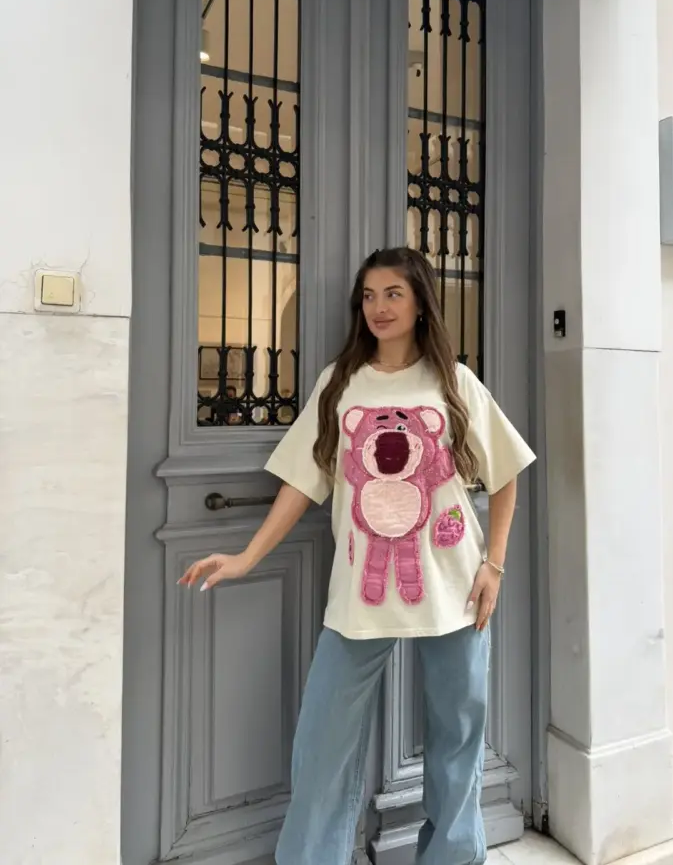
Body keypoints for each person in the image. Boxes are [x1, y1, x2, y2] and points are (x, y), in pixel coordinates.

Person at [179, 247, 536, 865]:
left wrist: (494, 565)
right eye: (369, 296)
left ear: (420, 302)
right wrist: (246, 556)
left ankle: (451, 857)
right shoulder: (340, 384)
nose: (379, 307)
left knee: (457, 739)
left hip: (453, 585)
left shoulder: (455, 382)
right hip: (360, 592)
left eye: (393, 293)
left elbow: (506, 471)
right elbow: (303, 479)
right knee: (323, 742)